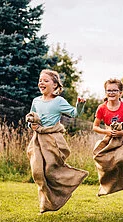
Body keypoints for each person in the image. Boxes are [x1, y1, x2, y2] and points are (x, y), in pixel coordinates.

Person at [26, 69, 88, 213]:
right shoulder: (36, 101)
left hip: (52, 139)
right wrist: (31, 124)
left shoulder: (58, 101)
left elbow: (75, 113)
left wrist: (80, 104)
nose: (42, 83)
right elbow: (31, 116)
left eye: (46, 80)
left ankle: (73, 178)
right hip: (38, 139)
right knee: (37, 172)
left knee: (49, 169)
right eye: (40, 80)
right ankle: (45, 203)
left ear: (55, 85)